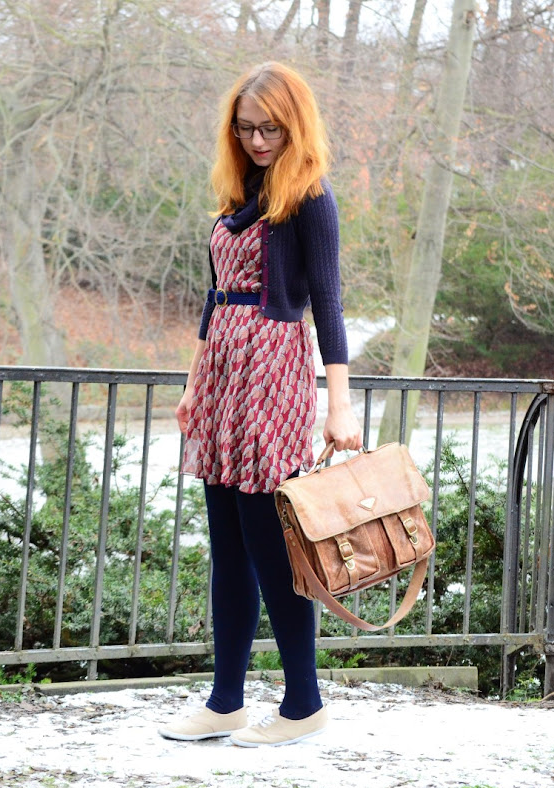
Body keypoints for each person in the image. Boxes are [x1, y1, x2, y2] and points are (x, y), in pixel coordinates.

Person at [158, 61, 362, 748]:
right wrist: (193, 384)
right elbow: (213, 298)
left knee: (270, 541)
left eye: (269, 128)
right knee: (226, 546)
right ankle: (226, 701)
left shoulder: (310, 199)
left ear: (293, 123)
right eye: (245, 129)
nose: (256, 140)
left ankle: (304, 703)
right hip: (220, 371)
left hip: (273, 369)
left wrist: (339, 405)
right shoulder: (235, 191)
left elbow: (329, 306)